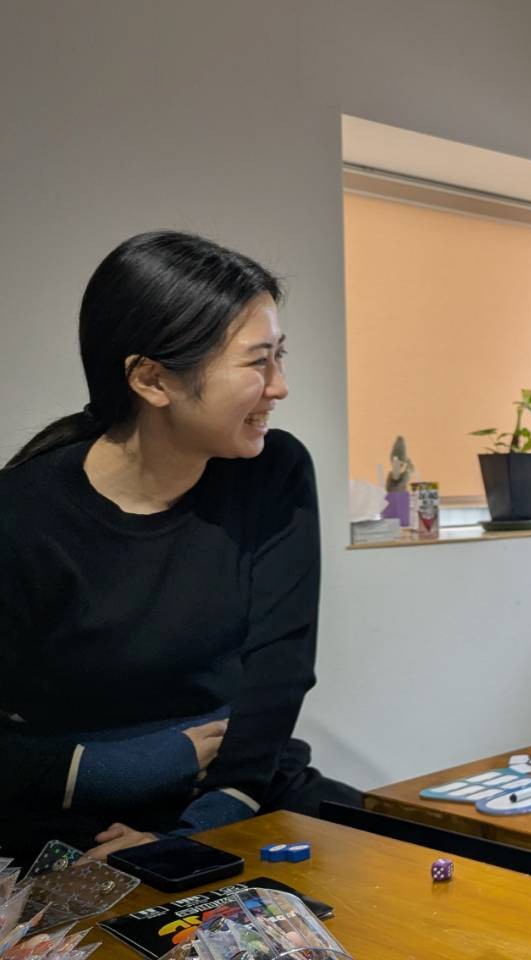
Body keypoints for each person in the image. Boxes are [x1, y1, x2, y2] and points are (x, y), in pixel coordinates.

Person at [0, 231, 359, 861]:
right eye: (257, 362)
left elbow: (280, 671)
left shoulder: (274, 471)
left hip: (243, 786)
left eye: (279, 356)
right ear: (152, 379)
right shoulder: (22, 515)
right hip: (77, 818)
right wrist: (130, 766)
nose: (279, 387)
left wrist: (209, 822)